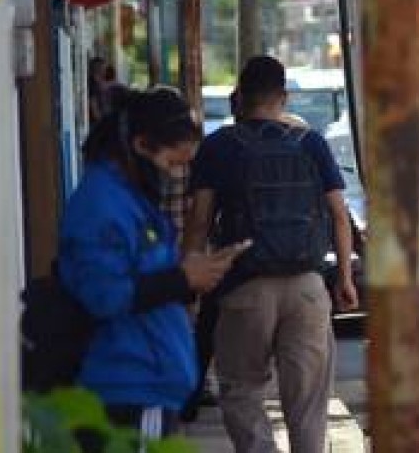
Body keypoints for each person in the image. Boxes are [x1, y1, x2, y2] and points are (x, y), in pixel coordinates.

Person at [57, 86, 250, 446]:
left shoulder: (131, 199)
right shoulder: (101, 204)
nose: (178, 177)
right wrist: (181, 279)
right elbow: (104, 294)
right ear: (142, 145)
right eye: (173, 164)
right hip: (127, 387)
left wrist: (191, 272)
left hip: (151, 386)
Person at [185, 55, 358, 452]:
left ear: (239, 96)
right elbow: (339, 217)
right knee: (309, 401)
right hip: (307, 288)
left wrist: (190, 276)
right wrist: (345, 278)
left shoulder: (218, 147)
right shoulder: (311, 142)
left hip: (245, 288)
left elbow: (199, 220)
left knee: (242, 392)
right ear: (283, 96)